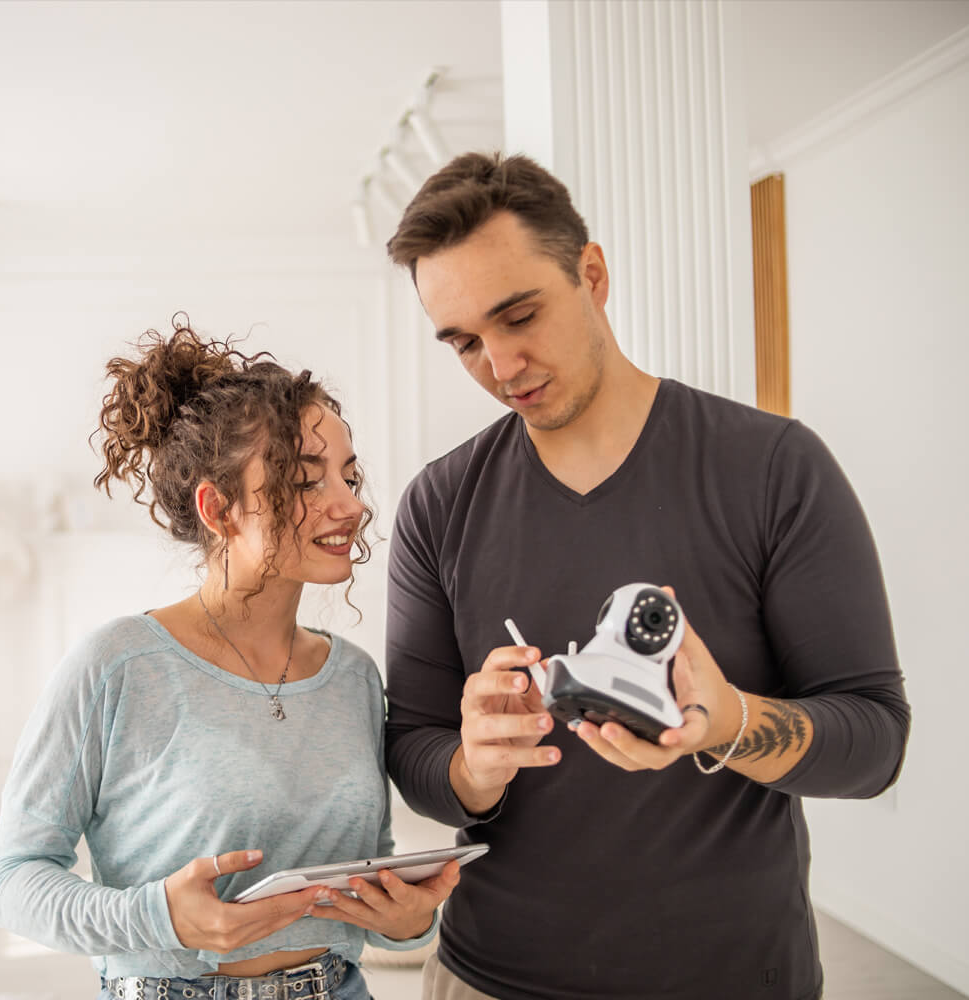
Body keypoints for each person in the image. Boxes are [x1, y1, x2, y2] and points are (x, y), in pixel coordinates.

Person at [380, 153, 910, 1000]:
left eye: (519, 315)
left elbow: (875, 744)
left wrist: (726, 722)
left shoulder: (774, 467)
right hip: (490, 979)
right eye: (464, 342)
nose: (501, 364)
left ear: (592, 274)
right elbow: (411, 749)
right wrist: (475, 765)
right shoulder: (439, 505)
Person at [0, 320, 456, 999]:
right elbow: (13, 881)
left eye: (349, 477)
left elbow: (364, 885)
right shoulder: (117, 666)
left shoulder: (353, 678)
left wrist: (409, 920)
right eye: (305, 481)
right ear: (217, 507)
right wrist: (158, 917)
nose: (350, 506)